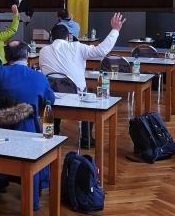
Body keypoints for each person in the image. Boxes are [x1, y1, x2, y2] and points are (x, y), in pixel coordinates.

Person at [0, 31, 56, 209]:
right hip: (26, 136)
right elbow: (50, 101)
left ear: (5, 57)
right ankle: (33, 202)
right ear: (28, 55)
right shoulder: (39, 78)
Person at [39, 13, 126, 146]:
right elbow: (101, 51)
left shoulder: (43, 51)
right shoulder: (77, 46)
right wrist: (115, 30)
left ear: (51, 37)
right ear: (69, 37)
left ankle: (54, 131)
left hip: (52, 96)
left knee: (56, 90)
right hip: (76, 95)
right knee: (90, 97)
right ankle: (86, 139)